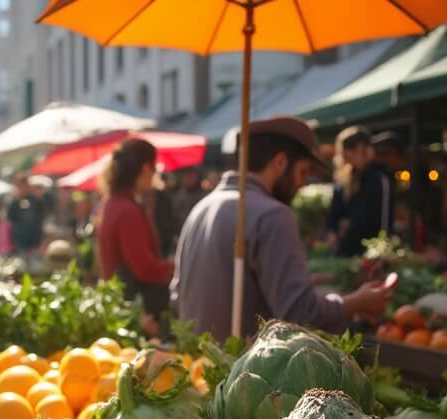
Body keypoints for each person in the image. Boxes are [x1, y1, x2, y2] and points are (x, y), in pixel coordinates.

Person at [172, 116, 392, 341]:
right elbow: (299, 313)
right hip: (246, 369)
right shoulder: (272, 214)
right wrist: (356, 302)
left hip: (199, 366)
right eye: (303, 172)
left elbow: (178, 295)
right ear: (280, 163)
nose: (302, 183)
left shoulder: (201, 207)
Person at [96, 139, 173, 322]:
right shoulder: (126, 211)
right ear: (146, 168)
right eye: (155, 168)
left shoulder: (112, 203)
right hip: (137, 313)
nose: (155, 174)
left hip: (122, 307)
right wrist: (176, 266)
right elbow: (145, 268)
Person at [326, 126, 394, 256]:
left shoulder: (378, 178)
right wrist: (333, 230)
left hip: (370, 252)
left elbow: (379, 220)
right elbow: (334, 213)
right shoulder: (344, 180)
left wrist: (349, 224)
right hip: (345, 250)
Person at [7, 173, 46, 258]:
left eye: (23, 185)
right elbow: (10, 218)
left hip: (35, 240)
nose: (21, 188)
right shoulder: (14, 202)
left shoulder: (35, 200)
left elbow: (42, 215)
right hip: (20, 241)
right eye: (19, 185)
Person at [172, 167, 206, 232]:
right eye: (186, 177)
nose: (188, 179)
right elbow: (176, 215)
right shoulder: (180, 195)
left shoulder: (202, 195)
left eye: (191, 176)